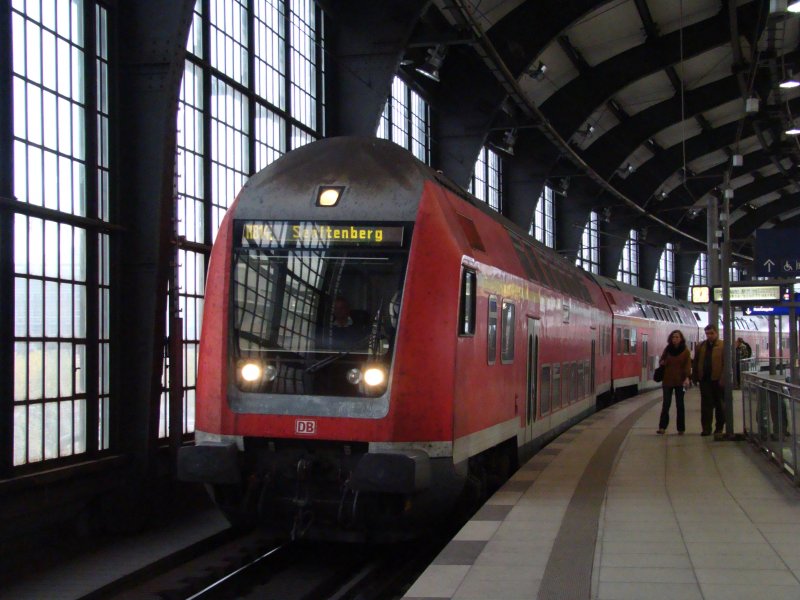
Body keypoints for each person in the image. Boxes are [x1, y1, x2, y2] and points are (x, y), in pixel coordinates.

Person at [656, 330, 692, 435]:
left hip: (680, 381)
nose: (675, 339)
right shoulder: (667, 350)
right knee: (666, 404)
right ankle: (662, 427)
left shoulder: (685, 351)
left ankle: (681, 428)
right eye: (673, 337)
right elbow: (661, 361)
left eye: (677, 337)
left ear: (681, 339)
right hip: (667, 380)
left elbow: (687, 365)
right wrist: (663, 362)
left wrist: (687, 378)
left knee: (680, 405)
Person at [692, 324, 725, 437]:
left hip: (718, 380)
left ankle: (719, 428)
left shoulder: (723, 345)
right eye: (707, 334)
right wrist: (695, 377)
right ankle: (706, 428)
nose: (709, 336)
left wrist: (723, 378)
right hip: (705, 380)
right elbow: (696, 362)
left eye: (711, 333)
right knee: (706, 406)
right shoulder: (701, 346)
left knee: (720, 405)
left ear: (716, 333)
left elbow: (726, 363)